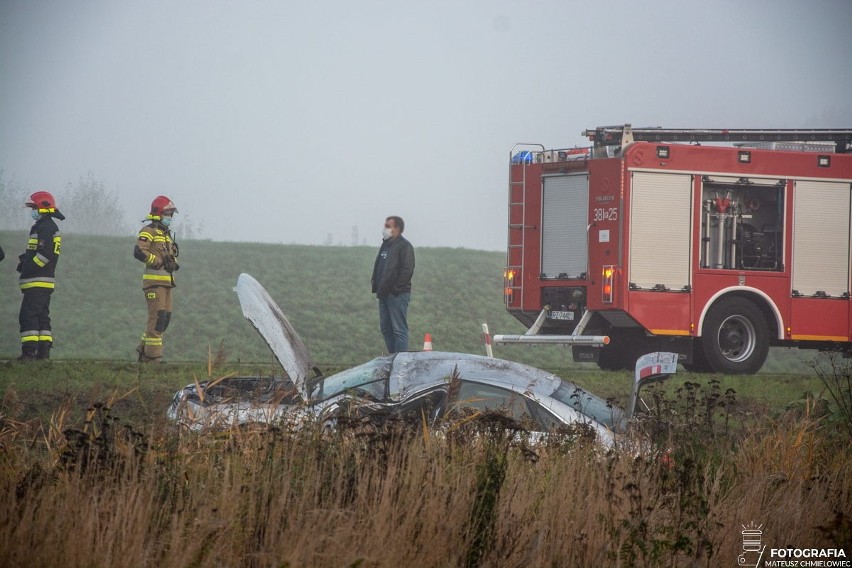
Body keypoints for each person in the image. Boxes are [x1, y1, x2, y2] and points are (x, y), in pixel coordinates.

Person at [16, 191, 64, 360]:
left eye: (34, 207)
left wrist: (27, 268)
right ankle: (43, 353)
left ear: (43, 208)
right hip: (44, 281)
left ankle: (28, 353)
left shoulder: (45, 227)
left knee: (28, 316)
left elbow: (44, 256)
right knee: (42, 317)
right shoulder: (46, 226)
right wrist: (25, 259)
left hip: (37, 280)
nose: (32, 211)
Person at [134, 195, 179, 363]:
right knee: (157, 319)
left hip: (167, 283)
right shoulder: (148, 231)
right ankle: (154, 358)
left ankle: (143, 351)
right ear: (159, 213)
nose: (170, 217)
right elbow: (139, 252)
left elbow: (172, 256)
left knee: (163, 320)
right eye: (168, 213)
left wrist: (173, 263)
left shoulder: (166, 235)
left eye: (171, 214)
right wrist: (158, 261)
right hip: (154, 283)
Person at [371, 215, 415, 353]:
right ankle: (392, 358)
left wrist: (396, 290)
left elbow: (407, 270)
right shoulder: (386, 245)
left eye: (388, 226)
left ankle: (400, 362)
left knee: (399, 330)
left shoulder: (404, 246)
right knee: (386, 329)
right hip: (383, 294)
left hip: (397, 295)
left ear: (397, 229)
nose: (385, 229)